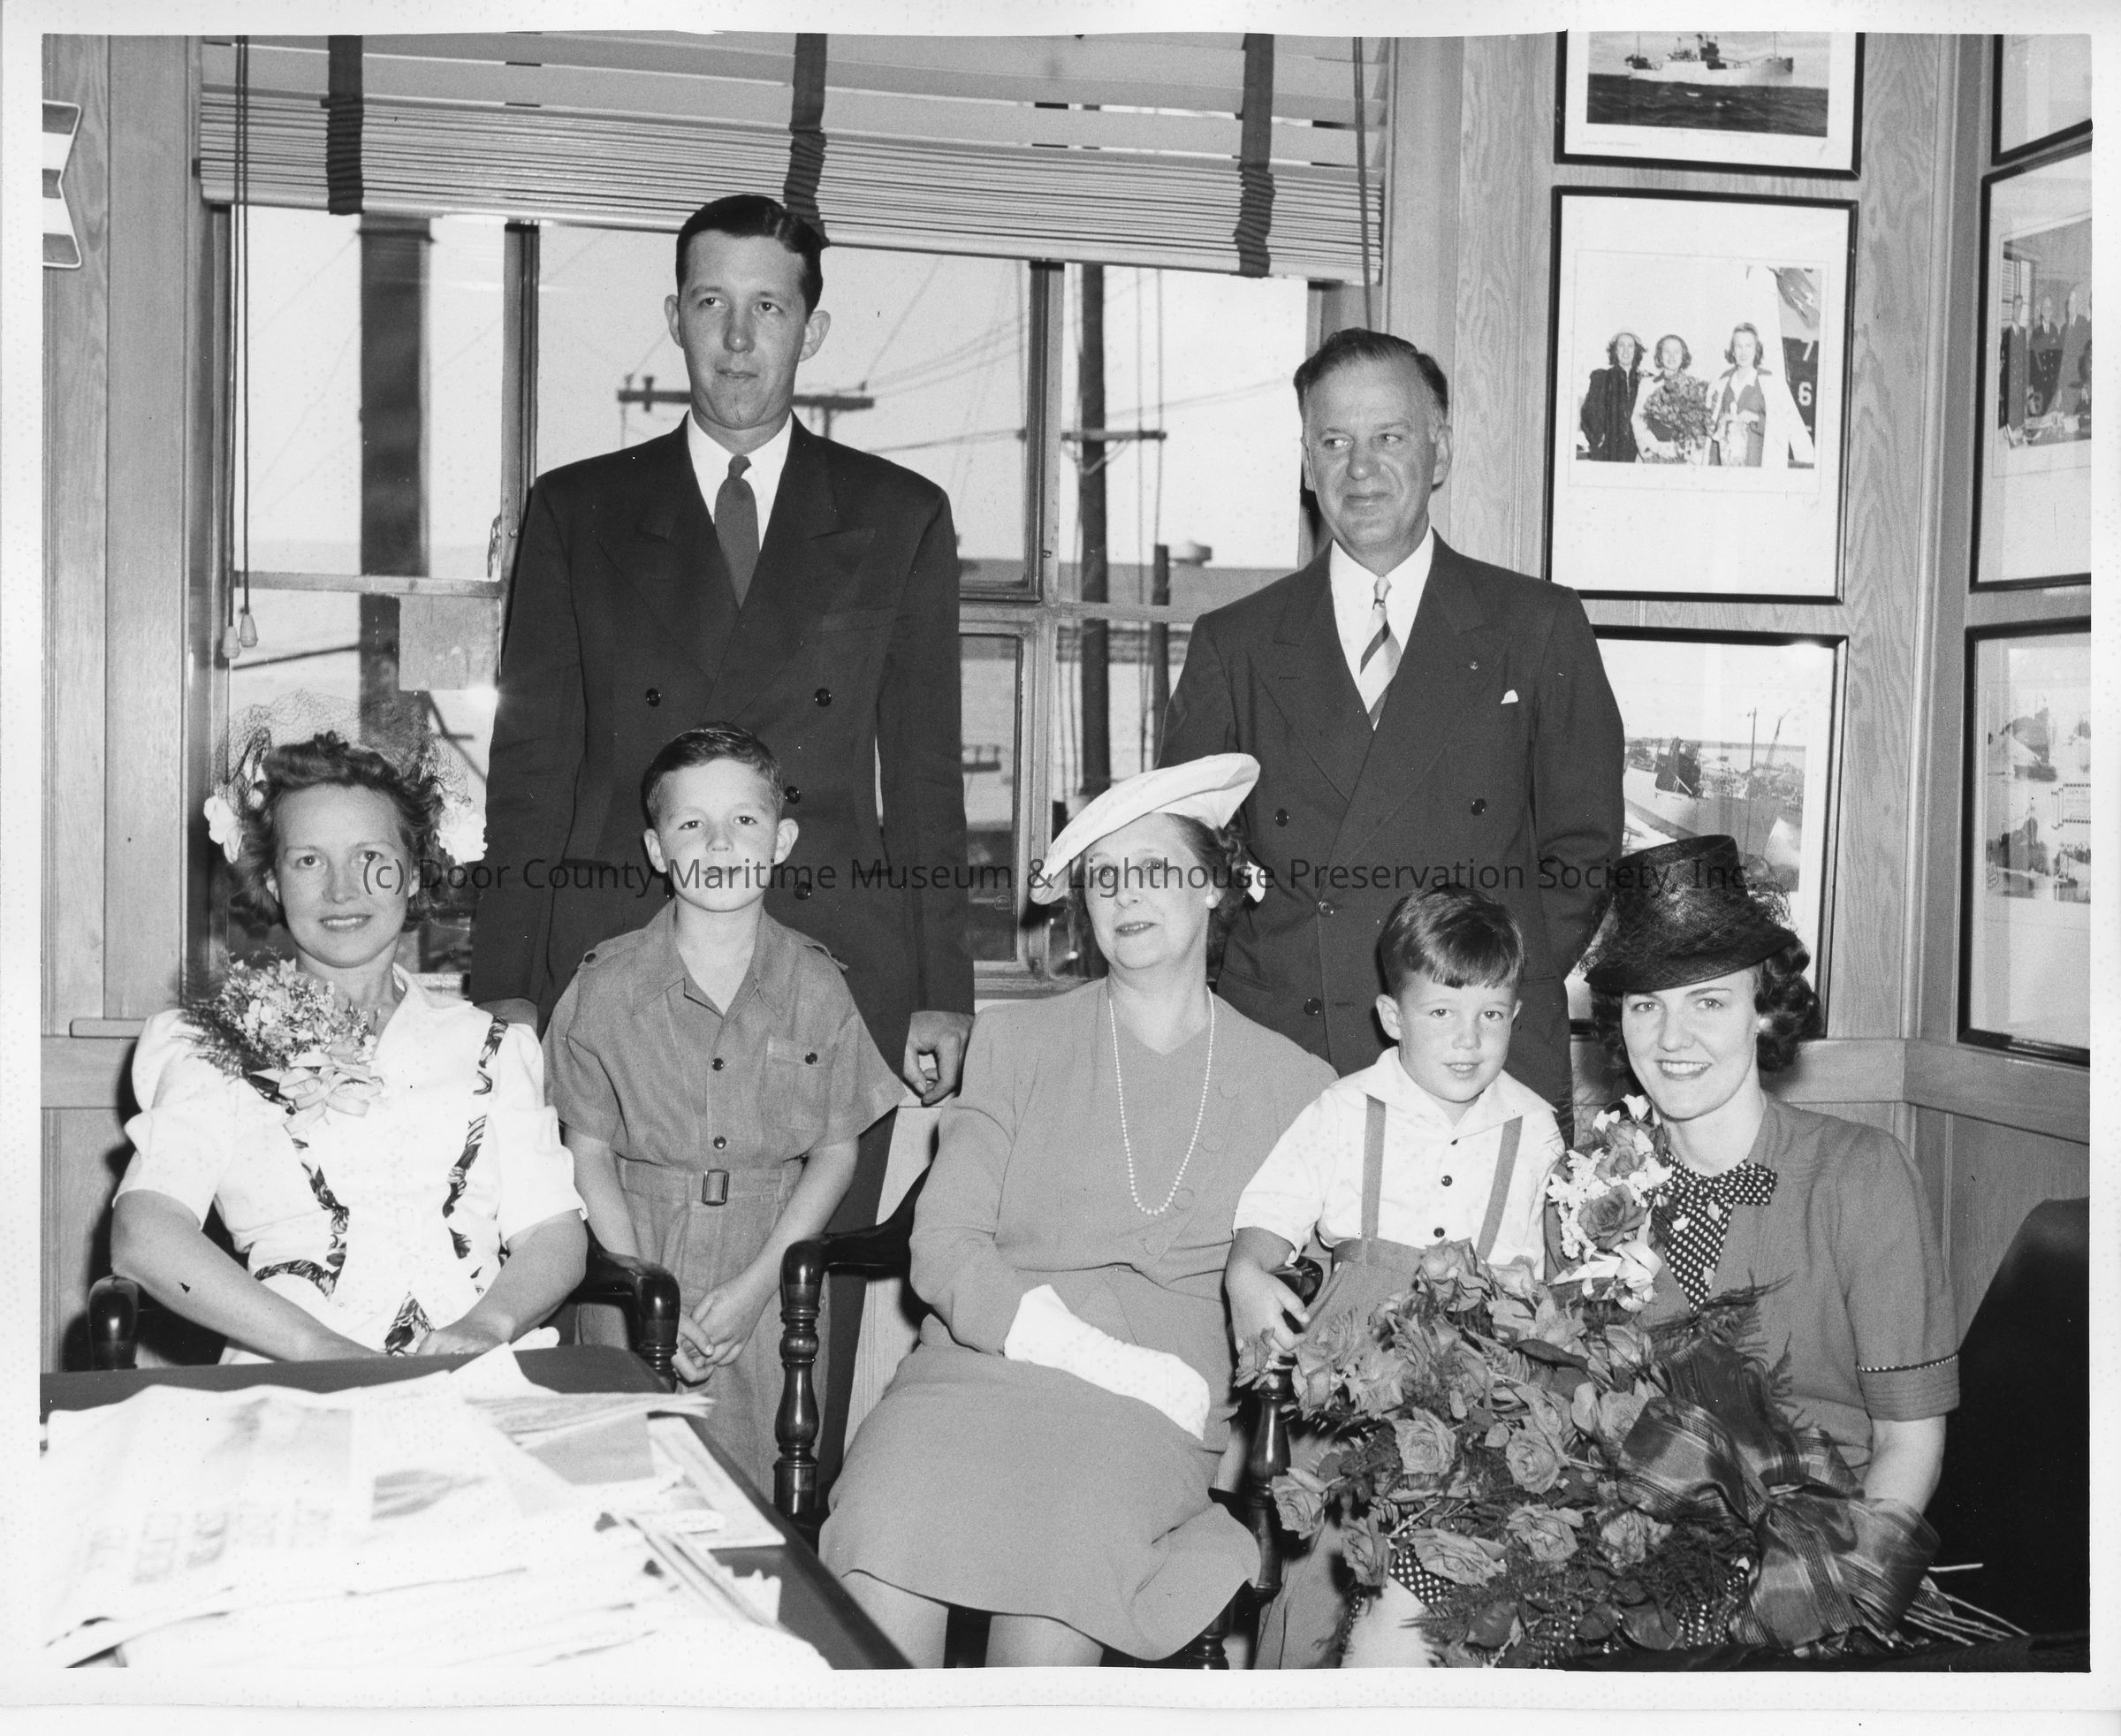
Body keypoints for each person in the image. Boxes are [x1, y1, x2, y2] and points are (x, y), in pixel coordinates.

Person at [473, 193, 976, 1479]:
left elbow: (924, 769)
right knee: (612, 1329)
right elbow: (530, 768)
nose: (740, 338)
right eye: (712, 304)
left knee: (795, 1333)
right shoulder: (580, 509)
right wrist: (507, 983)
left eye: (769, 307)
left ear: (813, 327)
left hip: (835, 961)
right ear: (675, 319)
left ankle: (781, 1564)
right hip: (617, 959)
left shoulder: (900, 512)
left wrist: (946, 985)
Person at [821, 757, 1337, 1666]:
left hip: (1153, 1405)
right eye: (1103, 877)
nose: (1125, 893)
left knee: (1068, 1551)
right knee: (882, 1516)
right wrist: (1076, 1348)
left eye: (1154, 868)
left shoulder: (1297, 1084)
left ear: (1214, 884)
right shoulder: (1017, 1040)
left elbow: (1322, 1278)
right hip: (977, 1368)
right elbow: (944, 1243)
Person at [1161, 327, 1623, 1140]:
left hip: (1479, 1057)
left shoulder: (1537, 625)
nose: (1361, 468)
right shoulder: (1235, 643)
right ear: (1307, 463)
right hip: (1288, 1054)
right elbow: (1184, 858)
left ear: (1440, 451)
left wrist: (1478, 988)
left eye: (1389, 437)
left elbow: (1582, 852)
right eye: (1334, 441)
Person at [111, 734, 587, 1359]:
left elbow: (553, 1232)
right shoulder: (211, 1045)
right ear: (273, 879)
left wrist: (488, 1326)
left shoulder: (492, 1045)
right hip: (291, 1373)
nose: (342, 891)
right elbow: (144, 1234)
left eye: (371, 857)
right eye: (309, 860)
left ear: (413, 873)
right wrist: (320, 1350)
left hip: (476, 1366)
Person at [544, 725, 904, 1491]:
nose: (718, 843)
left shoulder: (816, 985)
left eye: (744, 819)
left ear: (782, 841)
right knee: (622, 1498)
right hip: (634, 1265)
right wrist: (643, 1290)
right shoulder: (602, 987)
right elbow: (588, 1153)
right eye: (690, 824)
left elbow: (835, 1152)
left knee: (755, 1506)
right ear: (655, 849)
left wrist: (757, 1289)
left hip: (769, 1288)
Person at [1226, 886, 1563, 1667]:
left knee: (1460, 1569)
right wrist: (1247, 1271)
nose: (1468, 1039)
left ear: (1516, 1016)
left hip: (1480, 1381)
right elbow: (1271, 1209)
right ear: (1392, 1016)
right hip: (1351, 1369)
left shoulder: (1536, 1127)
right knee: (1325, 1562)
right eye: (1441, 1012)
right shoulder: (1345, 1108)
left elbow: (1548, 1278)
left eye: (1491, 1014)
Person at [1585, 834, 1958, 1493]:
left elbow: (1909, 1442)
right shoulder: (1585, 1193)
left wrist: (1843, 1562)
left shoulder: (1861, 1176)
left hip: (1833, 1534)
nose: (1672, 1038)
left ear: (1762, 1012)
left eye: (1708, 1002)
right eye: (1646, 1005)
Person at [1707, 323, 1814, 469]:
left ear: (1756, 349)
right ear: (1733, 350)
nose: (1743, 352)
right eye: (1738, 346)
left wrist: (1756, 418)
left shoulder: (1770, 382)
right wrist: (1721, 420)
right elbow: (1710, 426)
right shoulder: (1722, 382)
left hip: (1758, 463)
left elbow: (1783, 426)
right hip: (1726, 464)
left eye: (1748, 346)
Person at [1631, 333, 1711, 465]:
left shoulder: (1693, 385)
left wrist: (1682, 449)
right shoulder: (1647, 384)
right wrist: (1655, 447)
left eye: (1676, 352)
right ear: (1660, 355)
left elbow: (1699, 426)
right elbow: (1638, 420)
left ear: (1683, 355)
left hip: (1682, 457)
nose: (1672, 356)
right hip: (1652, 456)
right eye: (1667, 351)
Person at [1577, 331, 1645, 462]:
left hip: (1638, 453)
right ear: (1615, 350)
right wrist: (1597, 439)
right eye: (1621, 345)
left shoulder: (1645, 380)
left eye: (1630, 346)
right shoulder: (1602, 378)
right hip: (1610, 452)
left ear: (1636, 351)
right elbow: (1588, 413)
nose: (1626, 350)